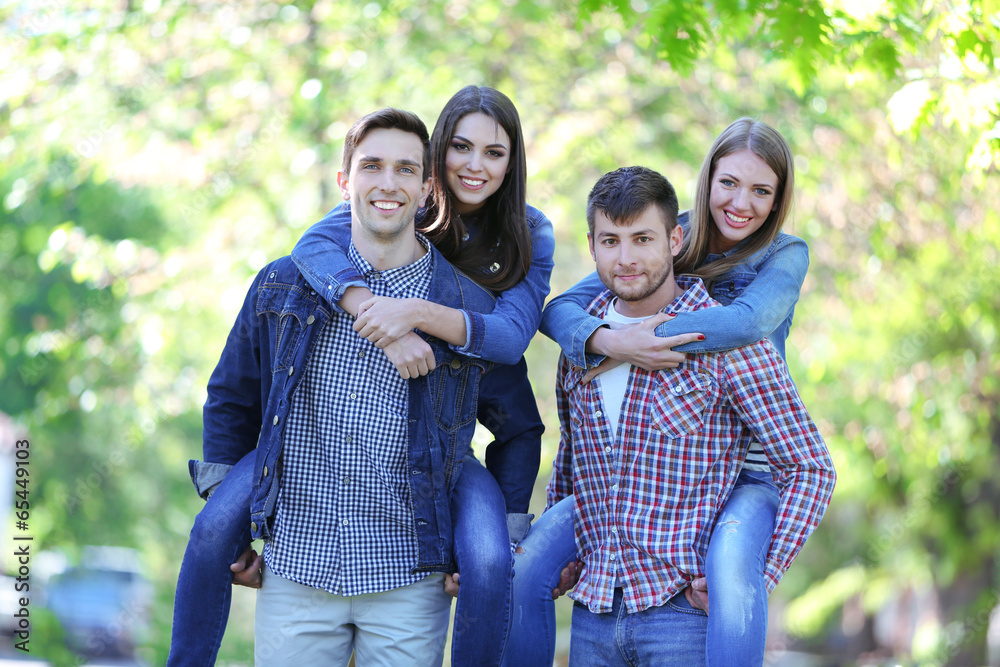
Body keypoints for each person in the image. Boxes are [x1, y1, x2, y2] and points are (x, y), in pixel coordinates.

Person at [167, 87, 554, 666]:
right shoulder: (285, 285)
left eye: (405, 170)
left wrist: (497, 530)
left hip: (408, 574)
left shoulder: (470, 300)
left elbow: (519, 423)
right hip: (299, 567)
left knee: (491, 557)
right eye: (371, 167)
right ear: (345, 180)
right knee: (208, 529)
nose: (387, 183)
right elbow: (231, 393)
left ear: (427, 188)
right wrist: (232, 512)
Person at [505, 118, 819, 667]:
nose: (740, 202)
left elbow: (746, 325)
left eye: (761, 190)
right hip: (601, 604)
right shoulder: (602, 329)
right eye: (729, 184)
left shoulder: (781, 259)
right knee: (523, 567)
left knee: (733, 569)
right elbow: (575, 451)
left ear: (669, 242)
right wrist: (609, 341)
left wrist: (654, 339)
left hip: (747, 475)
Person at [287, 85, 553, 667]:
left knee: (489, 560)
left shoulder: (529, 231)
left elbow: (508, 341)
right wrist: (368, 306)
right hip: (366, 435)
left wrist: (414, 313)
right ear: (435, 163)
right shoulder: (397, 202)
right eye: (460, 147)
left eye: (494, 152)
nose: (475, 166)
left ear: (513, 162)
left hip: (459, 427)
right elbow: (308, 245)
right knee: (211, 534)